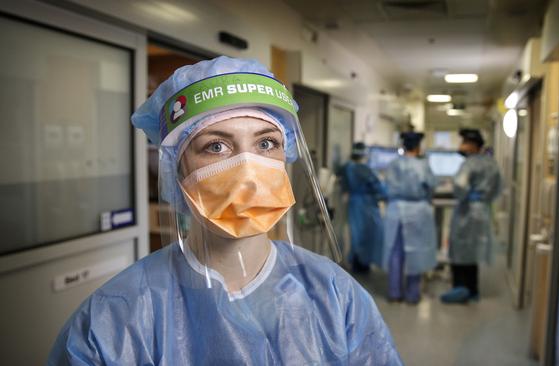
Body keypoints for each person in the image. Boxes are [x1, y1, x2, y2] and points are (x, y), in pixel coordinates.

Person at [47, 56, 402, 365]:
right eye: (216, 146)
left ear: (287, 153)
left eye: (266, 143)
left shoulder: (337, 297)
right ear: (177, 170)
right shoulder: (114, 318)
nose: (248, 172)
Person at [441, 128, 502, 304]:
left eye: (464, 143)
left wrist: (463, 195)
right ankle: (473, 290)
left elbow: (460, 186)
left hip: (466, 211)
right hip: (482, 210)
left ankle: (460, 290)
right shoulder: (491, 163)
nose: (461, 147)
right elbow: (498, 188)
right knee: (473, 252)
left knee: (460, 250)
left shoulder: (469, 163)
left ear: (473, 145)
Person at [383, 132, 438, 304]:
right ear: (418, 147)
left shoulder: (393, 164)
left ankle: (394, 293)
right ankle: (413, 295)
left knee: (396, 252)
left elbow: (388, 187)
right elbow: (431, 187)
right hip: (418, 212)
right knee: (416, 252)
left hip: (396, 211)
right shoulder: (424, 166)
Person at [339, 142, 387, 273]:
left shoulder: (347, 168)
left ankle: (356, 264)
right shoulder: (366, 170)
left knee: (356, 235)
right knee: (369, 235)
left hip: (354, 204)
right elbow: (380, 189)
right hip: (367, 205)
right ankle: (363, 265)